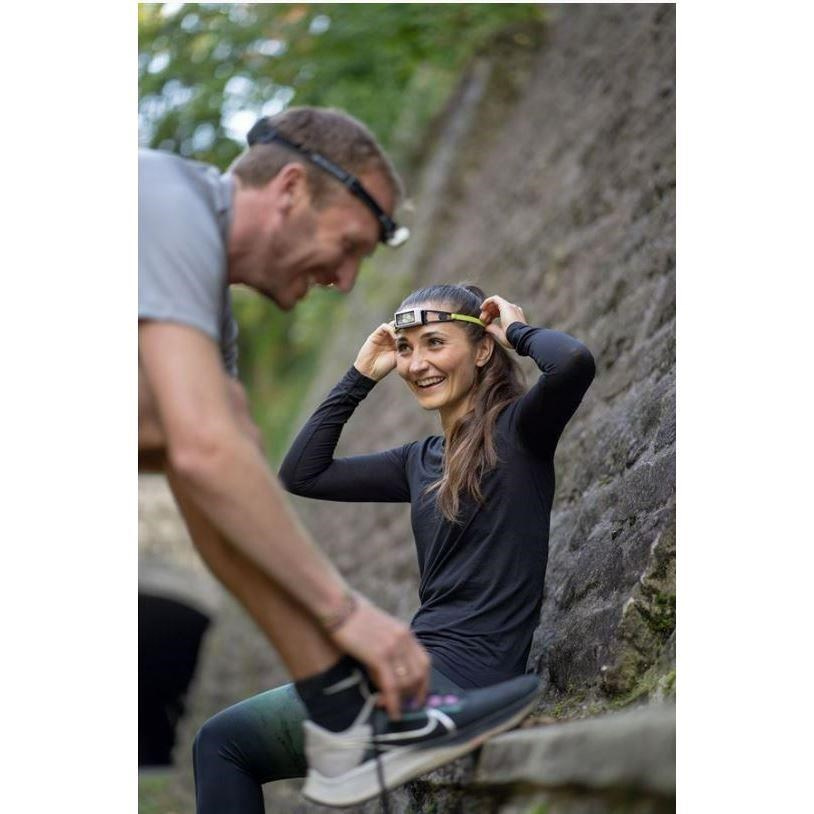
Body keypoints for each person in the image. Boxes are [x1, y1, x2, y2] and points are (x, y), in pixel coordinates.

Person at [139, 109, 540, 807]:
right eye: (350, 244)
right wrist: (346, 612)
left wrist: (336, 700)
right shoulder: (164, 198)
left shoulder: (206, 313)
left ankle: (344, 724)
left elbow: (210, 494)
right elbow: (208, 451)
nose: (347, 280)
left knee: (210, 422)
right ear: (291, 188)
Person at [192, 284, 595, 810]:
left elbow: (573, 363)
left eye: (435, 343)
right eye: (406, 349)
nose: (416, 364)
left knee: (222, 744)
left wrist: (514, 330)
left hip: (459, 683)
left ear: (480, 350)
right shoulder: (418, 461)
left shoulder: (519, 432)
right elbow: (303, 472)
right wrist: (360, 375)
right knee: (222, 741)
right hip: (418, 671)